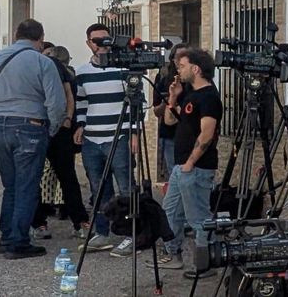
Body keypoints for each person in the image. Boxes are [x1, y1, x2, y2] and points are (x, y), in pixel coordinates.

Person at [0, 19, 67, 260]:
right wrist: (50, 129)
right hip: (30, 124)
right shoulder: (43, 61)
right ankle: (18, 242)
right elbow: (56, 102)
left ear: (16, 34)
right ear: (40, 38)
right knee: (27, 186)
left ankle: (6, 236)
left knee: (10, 186)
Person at [154, 48, 223, 280]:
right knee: (170, 211)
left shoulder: (209, 97)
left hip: (196, 168)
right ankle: (174, 254)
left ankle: (205, 263)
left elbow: (207, 135)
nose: (178, 70)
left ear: (195, 68)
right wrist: (173, 98)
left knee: (198, 218)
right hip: (180, 166)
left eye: (182, 66)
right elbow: (171, 121)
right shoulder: (189, 94)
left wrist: (191, 162)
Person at [74, 23, 140, 258]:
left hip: (118, 136)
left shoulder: (125, 69)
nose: (101, 45)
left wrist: (134, 132)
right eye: (96, 40)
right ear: (88, 43)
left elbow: (136, 102)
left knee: (126, 187)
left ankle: (133, 234)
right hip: (92, 139)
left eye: (105, 40)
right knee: (99, 188)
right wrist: (81, 125)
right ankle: (102, 233)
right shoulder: (81, 72)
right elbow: (81, 102)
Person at [32, 44, 90, 240]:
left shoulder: (53, 65)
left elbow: (68, 94)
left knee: (67, 176)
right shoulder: (36, 64)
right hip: (39, 126)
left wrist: (66, 119)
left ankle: (78, 220)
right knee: (36, 177)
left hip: (56, 128)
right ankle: (39, 222)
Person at [152, 43, 188, 180]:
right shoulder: (163, 77)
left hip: (191, 135)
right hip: (170, 134)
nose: (182, 61)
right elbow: (156, 111)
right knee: (174, 174)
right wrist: (167, 102)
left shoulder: (196, 79)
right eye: (178, 57)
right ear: (173, 59)